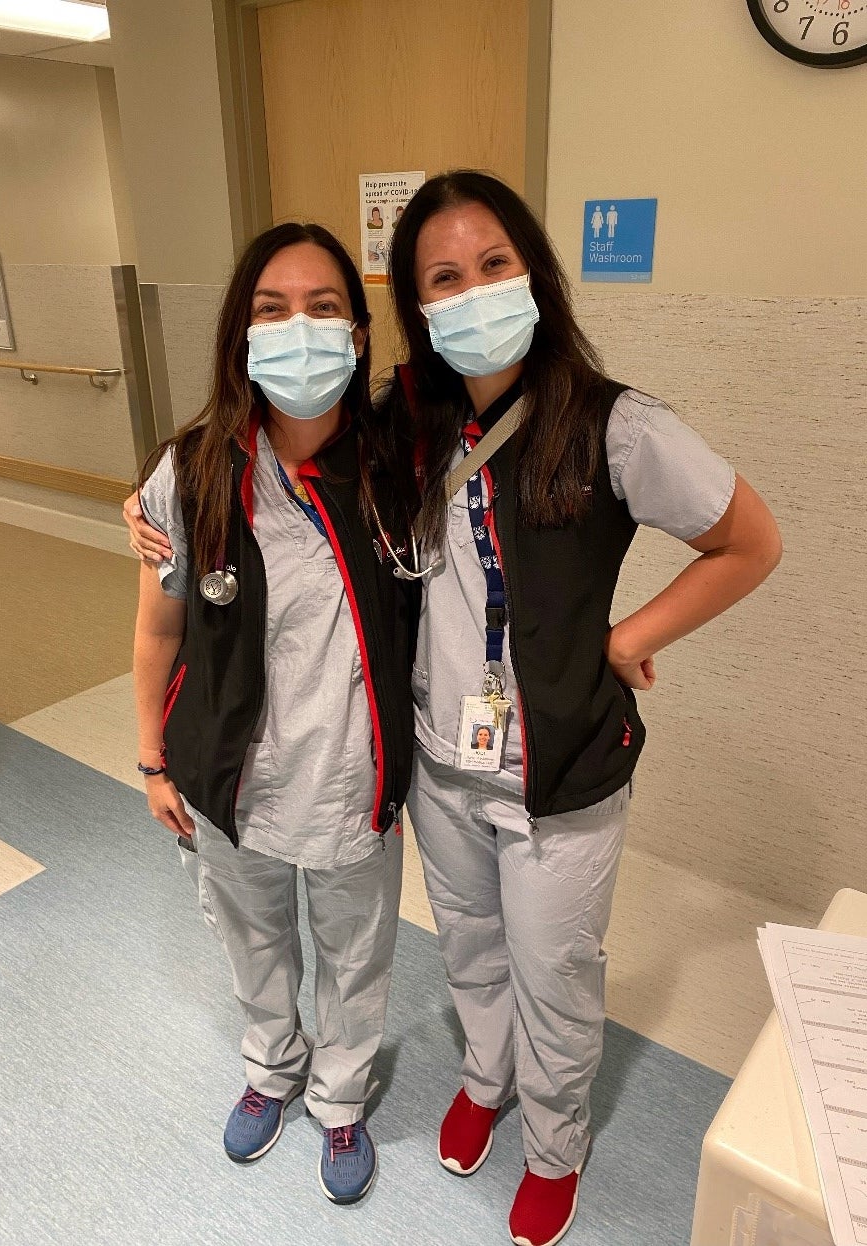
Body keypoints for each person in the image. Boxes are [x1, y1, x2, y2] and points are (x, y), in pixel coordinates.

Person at [384, 171, 782, 1246]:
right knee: (468, 943)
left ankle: (556, 1141)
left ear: (534, 275)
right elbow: (288, 465)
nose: (471, 293)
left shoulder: (614, 425)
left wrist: (629, 637)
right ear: (416, 306)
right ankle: (485, 1077)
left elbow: (750, 542)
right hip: (442, 759)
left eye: (493, 266)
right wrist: (161, 517)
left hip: (559, 767)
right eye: (442, 278)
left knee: (555, 968)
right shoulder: (409, 423)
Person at [132, 222, 420, 1205]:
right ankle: (271, 1069)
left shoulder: (394, 467)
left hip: (349, 771)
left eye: (323, 307)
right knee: (254, 939)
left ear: (358, 332)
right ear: (239, 335)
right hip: (230, 774)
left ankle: (339, 1099)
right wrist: (150, 761)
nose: (298, 328)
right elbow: (158, 632)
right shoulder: (193, 471)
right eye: (271, 309)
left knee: (354, 947)